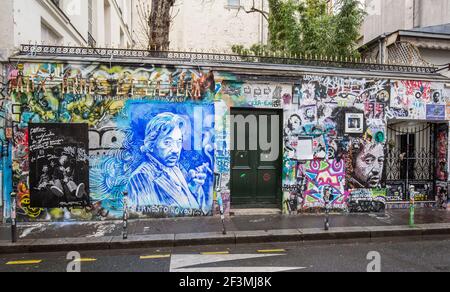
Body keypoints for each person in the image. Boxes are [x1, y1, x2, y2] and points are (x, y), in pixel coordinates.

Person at [127, 112, 211, 212]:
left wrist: (194, 188)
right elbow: (148, 217)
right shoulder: (141, 176)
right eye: (167, 142)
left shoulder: (176, 168)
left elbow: (197, 209)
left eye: (179, 142)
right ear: (151, 144)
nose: (175, 149)